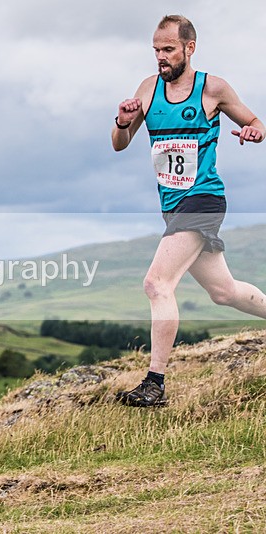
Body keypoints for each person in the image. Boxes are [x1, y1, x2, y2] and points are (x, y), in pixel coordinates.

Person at [111, 15, 266, 407]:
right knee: (223, 292)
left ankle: (155, 383)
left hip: (204, 201)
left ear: (189, 48)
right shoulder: (148, 89)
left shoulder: (212, 88)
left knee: (156, 284)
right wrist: (123, 122)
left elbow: (255, 121)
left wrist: (253, 130)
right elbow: (119, 143)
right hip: (173, 208)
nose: (160, 58)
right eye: (156, 50)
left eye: (168, 50)